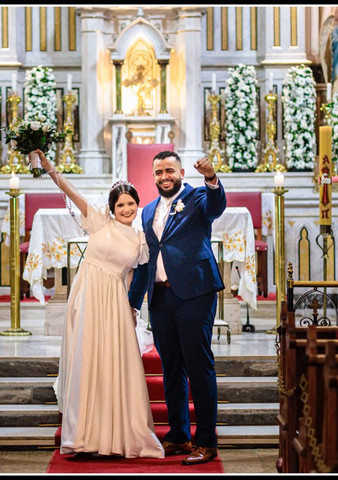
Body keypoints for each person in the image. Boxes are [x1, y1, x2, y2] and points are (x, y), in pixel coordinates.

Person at [33, 149, 164, 458]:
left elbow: (138, 277)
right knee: (87, 360)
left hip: (116, 301)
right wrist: (49, 166)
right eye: (121, 204)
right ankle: (83, 436)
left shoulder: (140, 240)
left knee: (115, 363)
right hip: (88, 295)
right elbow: (69, 189)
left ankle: (117, 434)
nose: (127, 209)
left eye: (131, 203)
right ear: (112, 207)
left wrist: (134, 308)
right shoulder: (99, 222)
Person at [128, 151, 226, 466]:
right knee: (171, 369)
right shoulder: (147, 212)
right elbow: (145, 263)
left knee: (198, 366)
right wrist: (131, 303)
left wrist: (211, 178)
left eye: (169, 170)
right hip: (160, 298)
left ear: (181, 172)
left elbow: (216, 206)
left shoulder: (197, 198)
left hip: (195, 294)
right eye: (158, 172)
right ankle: (179, 435)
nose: (164, 177)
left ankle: (207, 442)